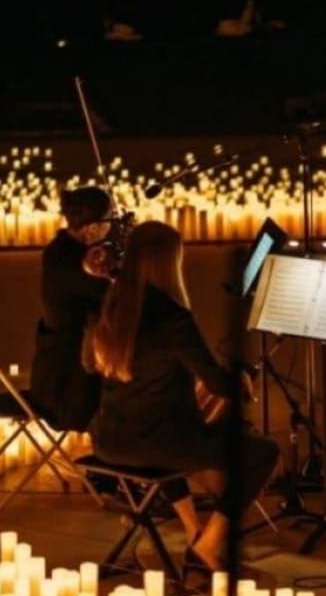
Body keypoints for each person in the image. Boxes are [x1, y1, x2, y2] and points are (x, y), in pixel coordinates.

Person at [85, 222, 280, 574]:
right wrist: (240, 379)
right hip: (158, 444)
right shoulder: (172, 317)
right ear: (169, 263)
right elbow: (218, 384)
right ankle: (209, 543)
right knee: (262, 452)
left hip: (108, 439)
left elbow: (102, 365)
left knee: (161, 430)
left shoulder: (113, 303)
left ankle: (193, 529)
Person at [29, 186, 113, 432]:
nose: (112, 226)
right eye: (110, 220)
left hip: (59, 370)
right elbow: (109, 293)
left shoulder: (63, 249)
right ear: (92, 228)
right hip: (67, 388)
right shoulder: (68, 260)